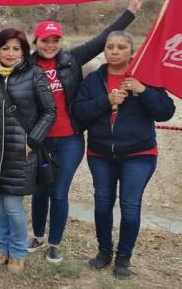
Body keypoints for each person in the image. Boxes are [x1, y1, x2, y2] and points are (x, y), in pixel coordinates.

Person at [0, 0, 144, 263]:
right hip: (37, 139)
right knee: (40, 189)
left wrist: (130, 12)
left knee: (59, 191)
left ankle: (54, 242)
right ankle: (38, 235)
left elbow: (102, 40)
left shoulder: (72, 59)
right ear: (36, 42)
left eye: (55, 40)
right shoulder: (25, 63)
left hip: (69, 139)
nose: (50, 45)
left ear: (61, 42)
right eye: (44, 40)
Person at [73, 31, 175, 280]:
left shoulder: (146, 77)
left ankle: (123, 258)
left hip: (139, 154)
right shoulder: (94, 79)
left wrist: (143, 90)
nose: (115, 51)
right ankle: (104, 251)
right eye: (110, 47)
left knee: (130, 206)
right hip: (100, 153)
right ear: (105, 51)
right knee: (102, 203)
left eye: (121, 47)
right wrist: (106, 100)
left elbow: (166, 112)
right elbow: (79, 111)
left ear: (132, 51)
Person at [0, 28, 56, 274]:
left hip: (22, 150)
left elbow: (49, 112)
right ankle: (2, 249)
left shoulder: (35, 74)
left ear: (24, 52)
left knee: (13, 205)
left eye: (16, 48)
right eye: (5, 48)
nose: (11, 53)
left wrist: (32, 141)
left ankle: (17, 252)